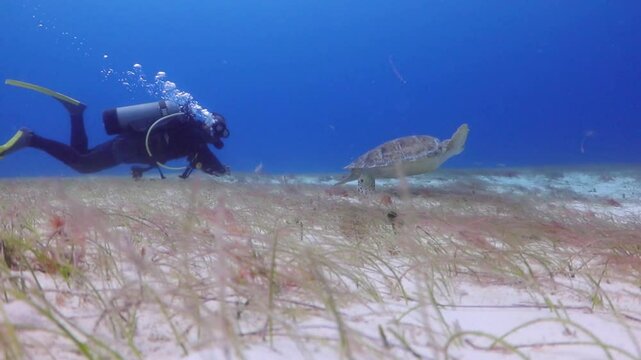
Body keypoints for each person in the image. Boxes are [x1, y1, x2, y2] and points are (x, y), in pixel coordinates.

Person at [0, 80, 230, 179]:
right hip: (126, 149)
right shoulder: (195, 139)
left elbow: (166, 152)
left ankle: (75, 113)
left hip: (127, 144)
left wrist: (142, 169)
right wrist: (224, 173)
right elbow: (212, 166)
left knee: (81, 154)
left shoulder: (186, 127)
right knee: (83, 165)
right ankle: (30, 140)